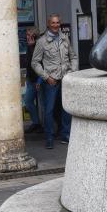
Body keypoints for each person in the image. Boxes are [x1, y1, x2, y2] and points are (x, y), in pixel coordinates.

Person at [31, 14, 78, 149]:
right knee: (49, 110)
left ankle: (65, 135)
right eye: (53, 23)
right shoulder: (42, 41)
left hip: (65, 78)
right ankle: (49, 137)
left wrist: (72, 72)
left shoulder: (64, 38)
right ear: (48, 24)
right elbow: (35, 63)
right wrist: (46, 77)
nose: (56, 25)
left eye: (57, 22)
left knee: (66, 109)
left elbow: (73, 57)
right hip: (51, 81)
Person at [22, 27, 42, 134]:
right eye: (27, 35)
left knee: (43, 104)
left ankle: (42, 125)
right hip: (31, 79)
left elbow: (38, 62)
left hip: (38, 79)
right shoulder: (29, 46)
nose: (27, 37)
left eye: (29, 34)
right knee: (28, 101)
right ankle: (36, 123)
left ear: (34, 35)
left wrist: (39, 80)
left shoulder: (38, 46)